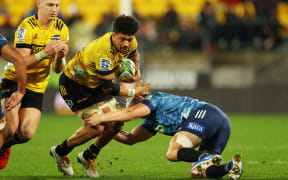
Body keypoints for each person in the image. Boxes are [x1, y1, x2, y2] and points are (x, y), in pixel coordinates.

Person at [50, 15, 150, 177]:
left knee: (116, 124)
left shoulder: (132, 43)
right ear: (113, 35)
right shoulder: (103, 51)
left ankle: (88, 156)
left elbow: (134, 55)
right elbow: (110, 88)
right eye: (122, 39)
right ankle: (60, 151)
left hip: (95, 85)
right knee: (97, 127)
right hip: (74, 85)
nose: (126, 44)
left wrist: (136, 71)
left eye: (129, 40)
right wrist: (134, 92)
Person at [84, 92, 243, 179]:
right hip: (220, 122)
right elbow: (129, 139)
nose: (127, 106)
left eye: (129, 102)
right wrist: (105, 127)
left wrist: (101, 117)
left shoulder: (152, 99)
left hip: (205, 114)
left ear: (139, 98)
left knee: (173, 153)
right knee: (199, 172)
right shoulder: (150, 123)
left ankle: (203, 158)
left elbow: (131, 113)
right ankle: (231, 167)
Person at [0, 0, 69, 169]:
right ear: (38, 4)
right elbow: (20, 62)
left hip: (37, 86)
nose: (54, 9)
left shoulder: (62, 29)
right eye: (50, 5)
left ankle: (5, 145)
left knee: (26, 134)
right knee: (10, 128)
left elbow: (58, 69)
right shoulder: (26, 27)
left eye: (57, 5)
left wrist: (60, 57)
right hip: (14, 80)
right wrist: (45, 52)